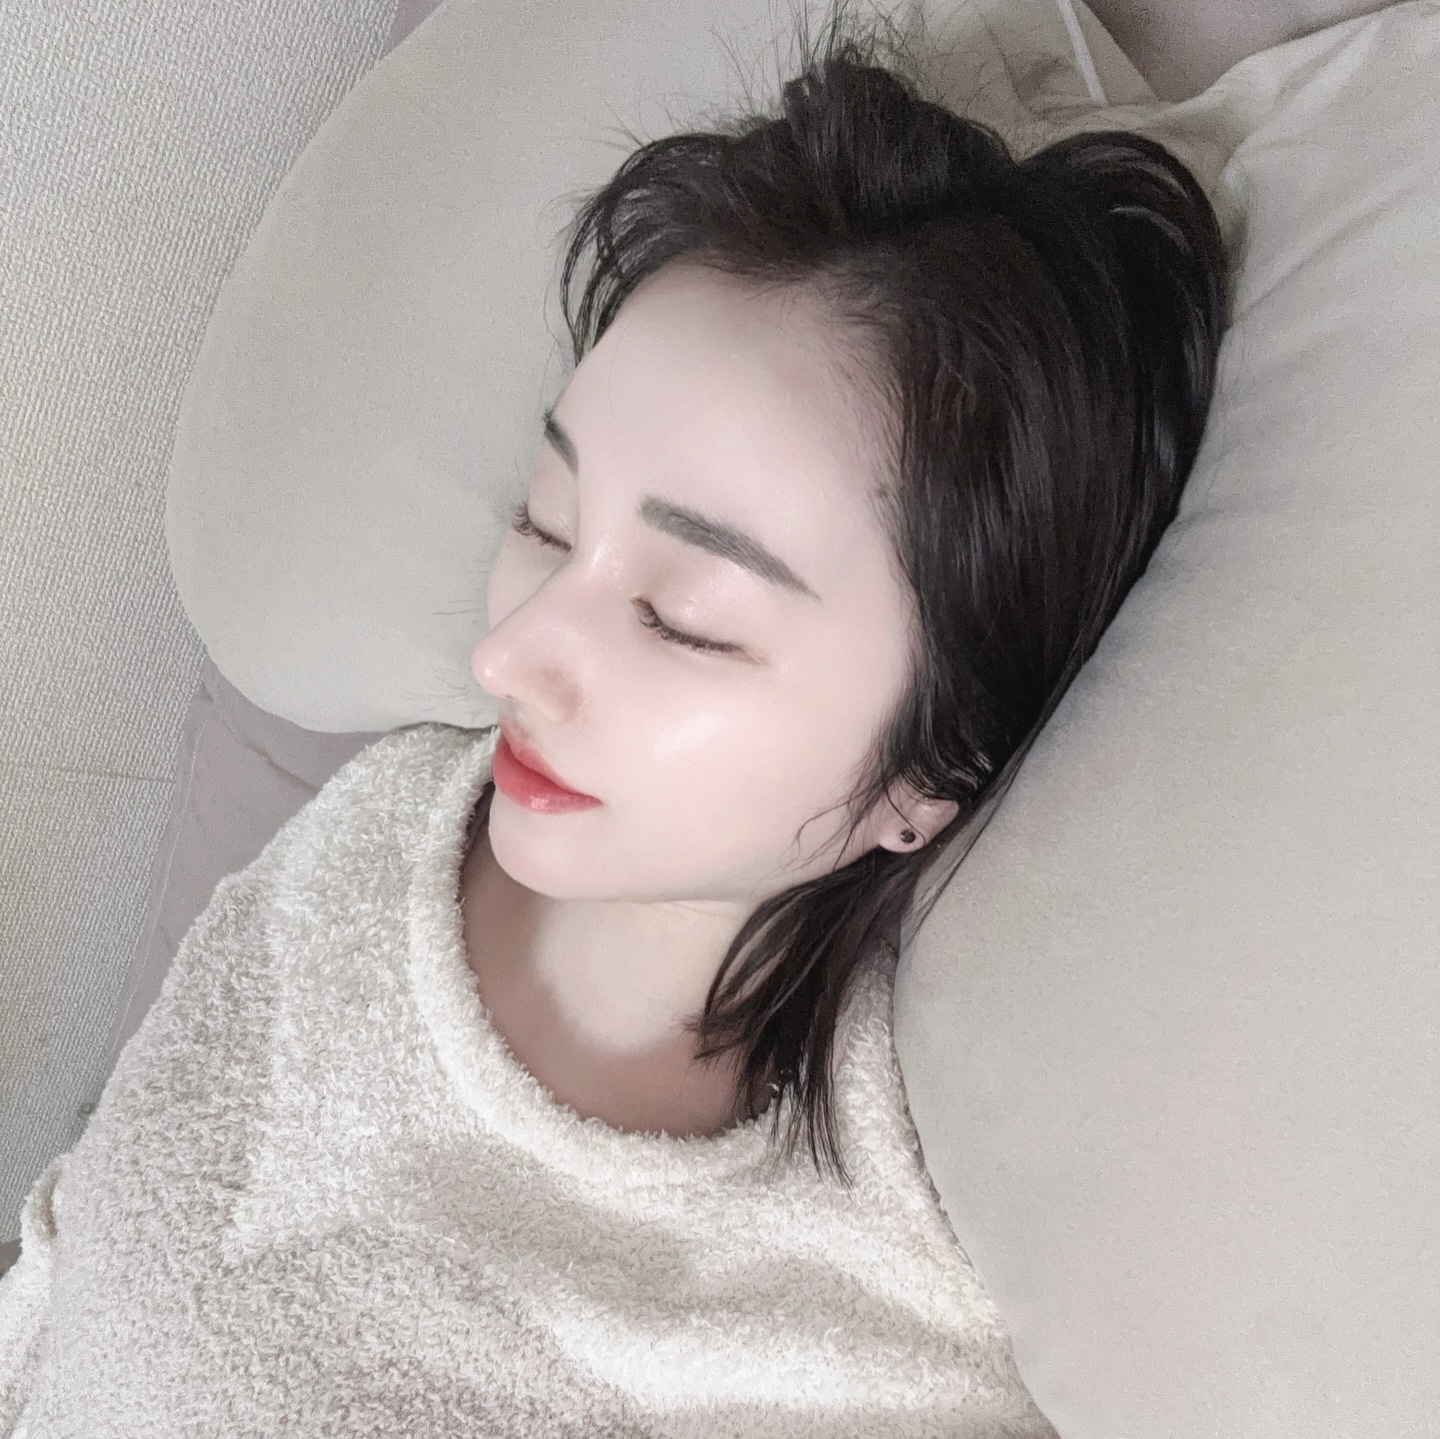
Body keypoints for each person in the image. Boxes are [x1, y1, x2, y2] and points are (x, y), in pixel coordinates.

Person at [456, 0, 1229, 1190]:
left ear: (933, 768)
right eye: (544, 521)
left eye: (684, 621)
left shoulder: (843, 1256)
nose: (504, 656)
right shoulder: (370, 834)